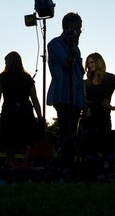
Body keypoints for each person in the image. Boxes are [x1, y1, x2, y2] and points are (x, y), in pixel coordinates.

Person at [46, 12, 85, 167]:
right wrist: (71, 45)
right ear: (66, 27)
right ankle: (63, 166)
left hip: (75, 97)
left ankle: (69, 164)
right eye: (76, 28)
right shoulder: (55, 44)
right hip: (62, 95)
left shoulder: (77, 49)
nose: (79, 32)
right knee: (65, 132)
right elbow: (66, 63)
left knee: (72, 134)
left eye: (80, 29)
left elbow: (79, 74)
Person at [0, 51, 43, 165]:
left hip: (9, 112)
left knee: (9, 145)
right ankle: (26, 168)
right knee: (27, 144)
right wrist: (39, 116)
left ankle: (11, 168)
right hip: (26, 112)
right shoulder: (27, 77)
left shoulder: (3, 76)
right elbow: (34, 99)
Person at [83, 52, 115, 139]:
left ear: (99, 62)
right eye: (88, 63)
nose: (89, 65)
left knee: (103, 148)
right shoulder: (86, 82)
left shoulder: (110, 78)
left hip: (103, 120)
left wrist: (114, 107)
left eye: (92, 62)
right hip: (88, 121)